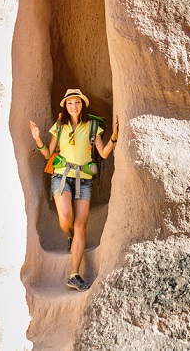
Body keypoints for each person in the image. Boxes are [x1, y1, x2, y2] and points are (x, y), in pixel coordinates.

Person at [29, 88, 119, 292]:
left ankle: (74, 275)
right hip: (61, 177)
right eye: (70, 103)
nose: (74, 106)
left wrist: (113, 138)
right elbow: (47, 154)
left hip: (84, 180)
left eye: (77, 102)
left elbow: (103, 154)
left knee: (81, 227)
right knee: (65, 218)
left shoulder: (93, 126)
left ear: (82, 104)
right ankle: (69, 236)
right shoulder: (59, 127)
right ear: (66, 106)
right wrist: (36, 138)